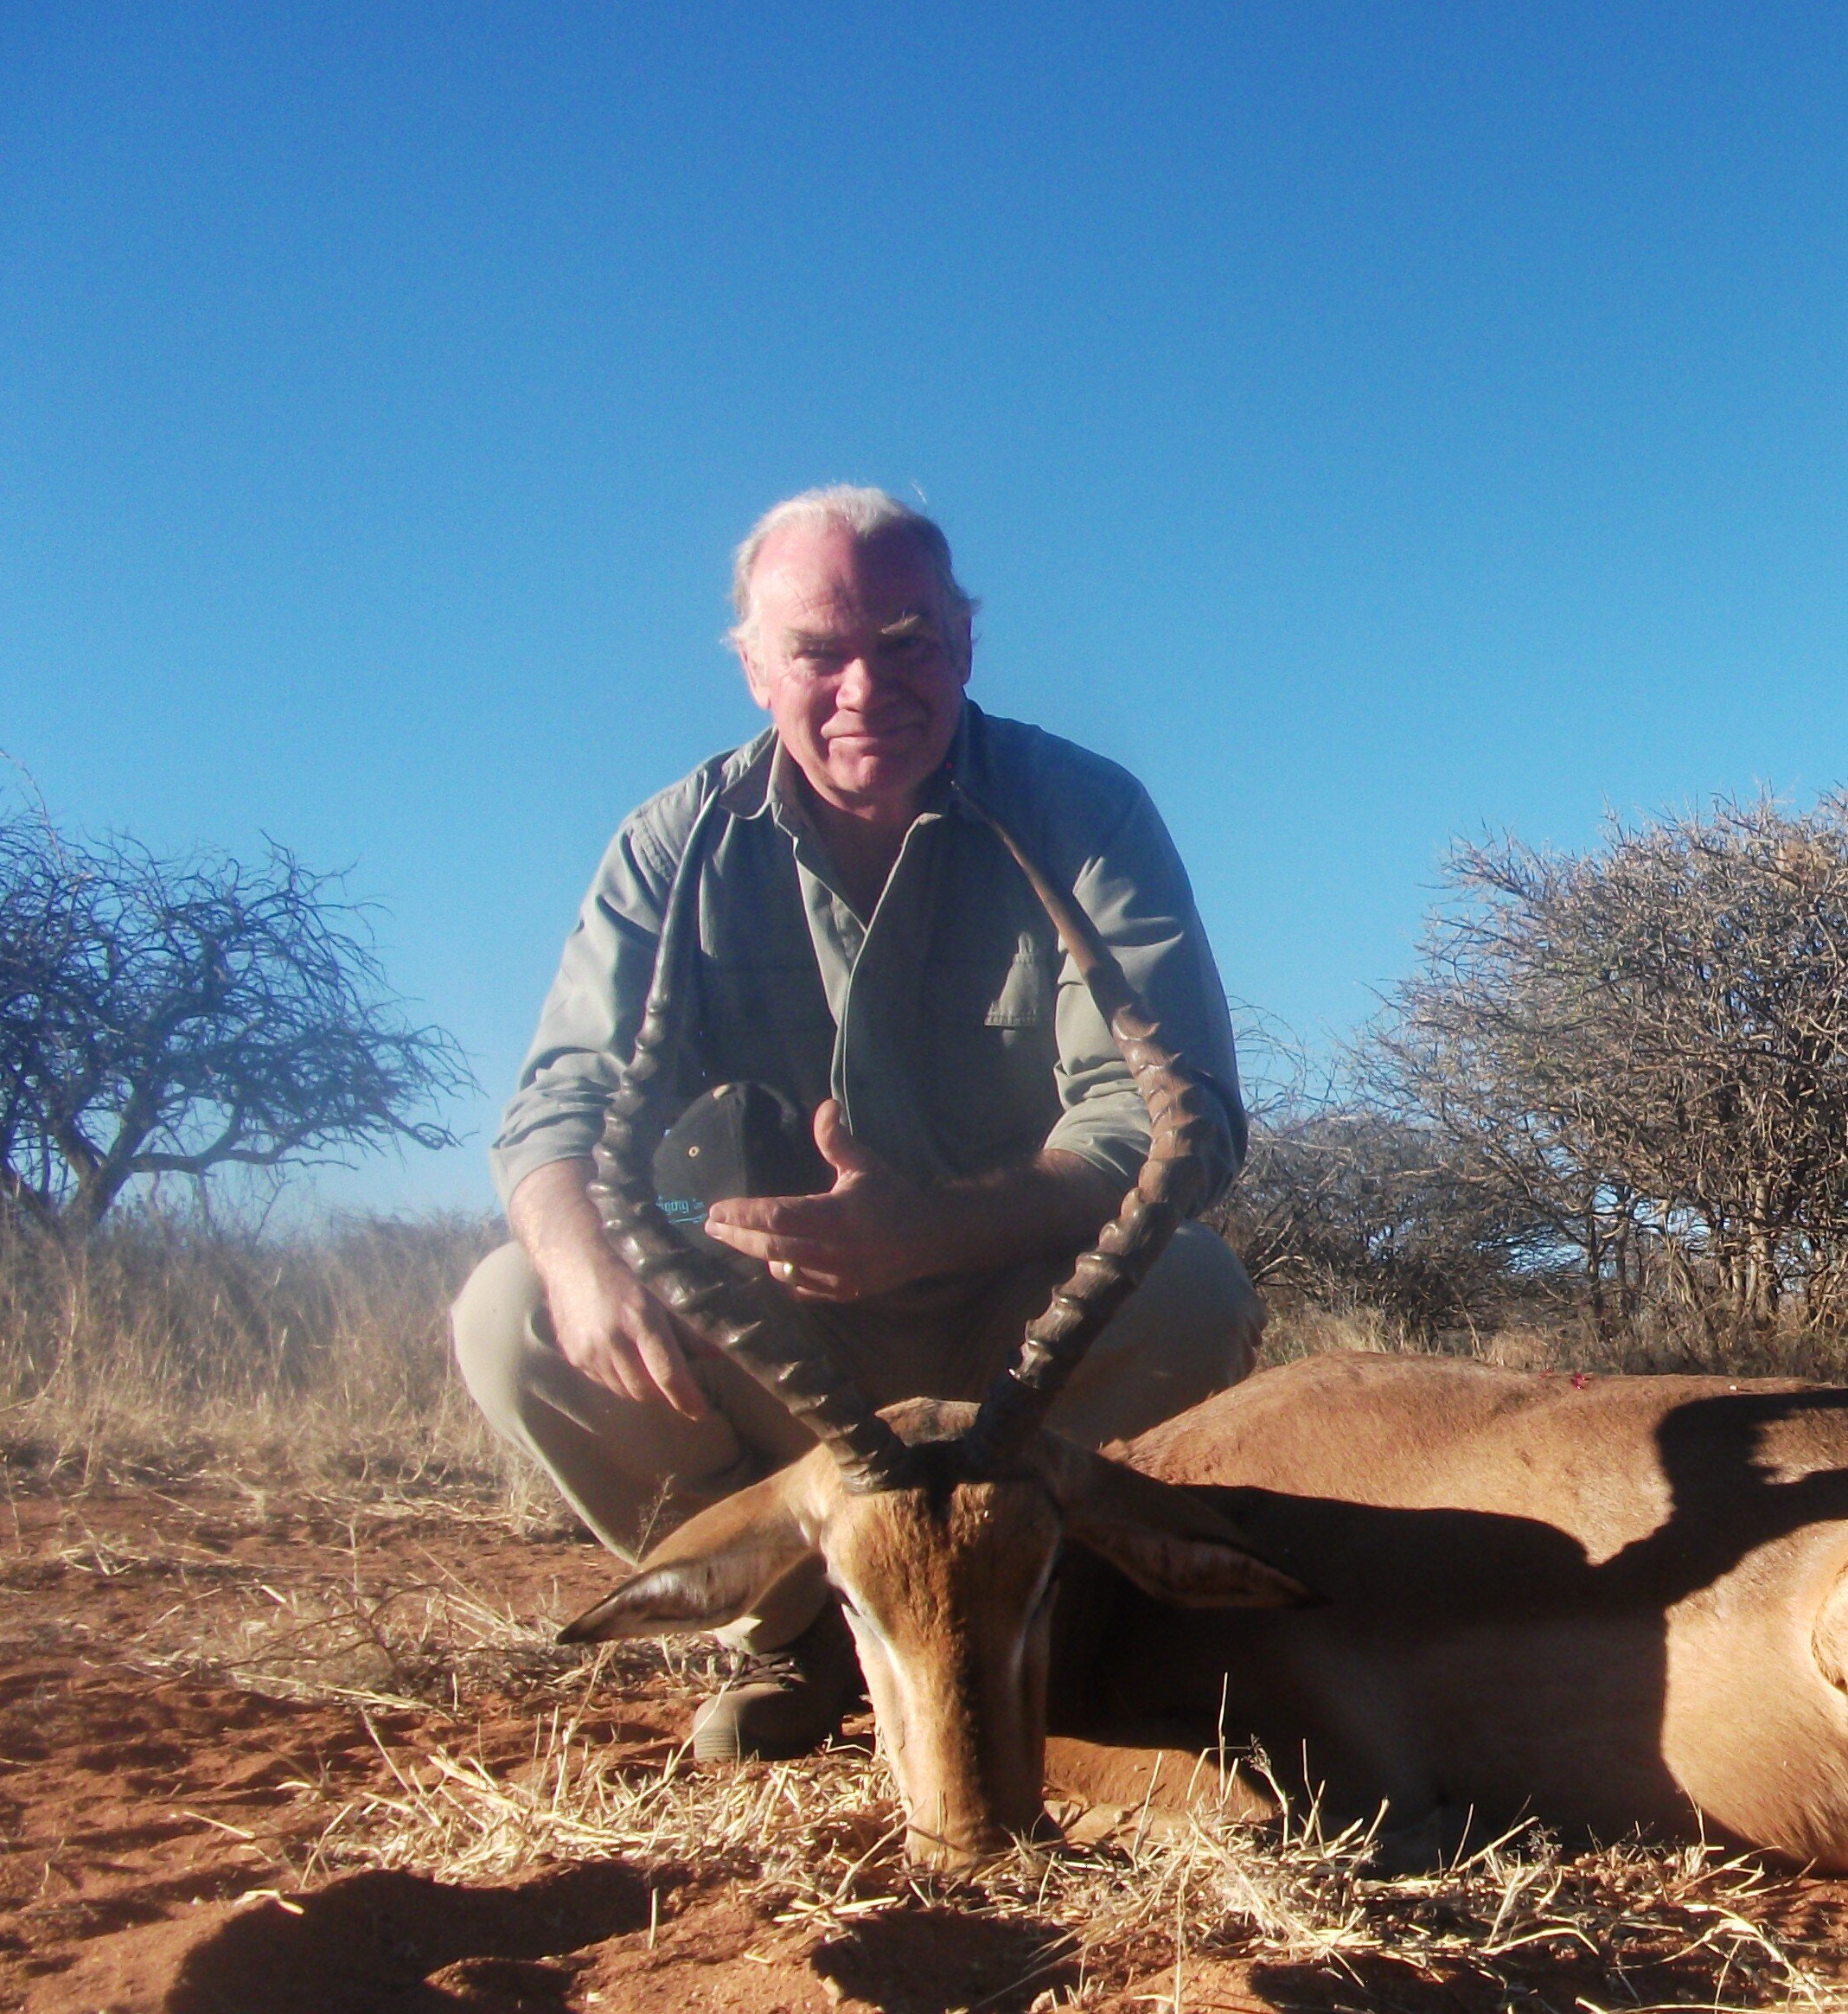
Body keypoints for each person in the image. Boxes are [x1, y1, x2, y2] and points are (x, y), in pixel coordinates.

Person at [456, 488, 1264, 1760]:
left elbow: (1180, 1127)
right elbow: (558, 1107)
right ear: (752, 668)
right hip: (782, 1347)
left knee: (1195, 1290)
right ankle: (797, 1636)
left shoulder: (1081, 813)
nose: (863, 687)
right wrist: (576, 1256)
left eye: (905, 642)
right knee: (512, 1313)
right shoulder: (674, 846)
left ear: (965, 641)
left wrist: (931, 1231)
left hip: (1016, 1344)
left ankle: (1025, 1606)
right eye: (817, 652)